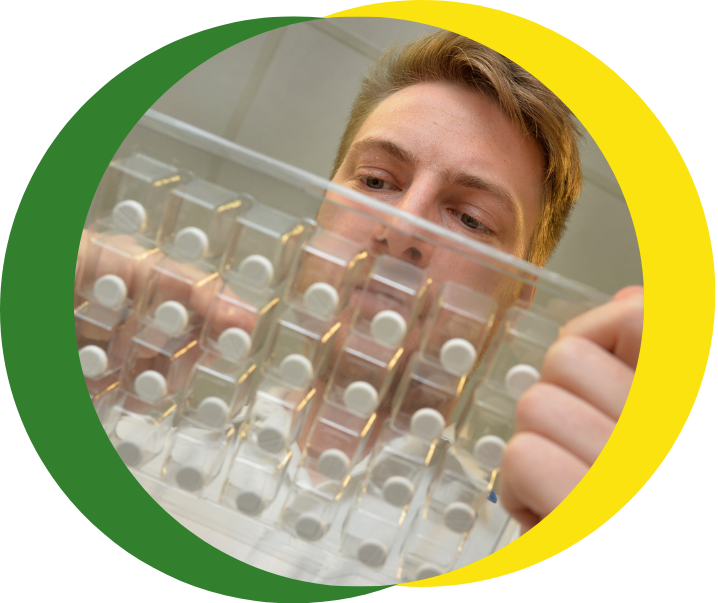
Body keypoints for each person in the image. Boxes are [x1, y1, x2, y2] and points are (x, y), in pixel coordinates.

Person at [319, 30, 643, 533]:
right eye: (377, 181)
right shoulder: (154, 393)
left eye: (471, 219)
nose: (404, 228)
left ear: (519, 301)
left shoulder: (525, 544)